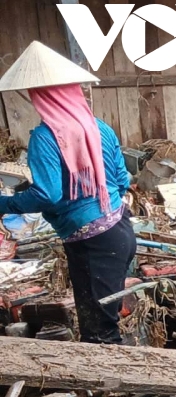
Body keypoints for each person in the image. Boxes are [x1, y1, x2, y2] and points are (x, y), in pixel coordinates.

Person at [0, 43, 134, 344]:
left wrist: (6, 203)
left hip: (92, 244)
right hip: (120, 230)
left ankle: (113, 387)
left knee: (99, 331)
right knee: (104, 323)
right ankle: (111, 385)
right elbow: (121, 179)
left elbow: (47, 196)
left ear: (41, 97)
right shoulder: (98, 127)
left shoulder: (45, 138)